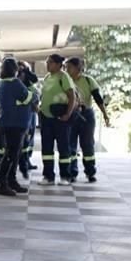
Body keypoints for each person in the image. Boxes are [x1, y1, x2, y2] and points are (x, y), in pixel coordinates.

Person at [66, 57, 110, 183]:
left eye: (69, 67)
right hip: (71, 114)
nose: (67, 69)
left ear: (77, 68)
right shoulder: (64, 81)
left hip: (86, 115)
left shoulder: (88, 80)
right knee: (70, 145)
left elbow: (98, 98)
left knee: (87, 145)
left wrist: (105, 114)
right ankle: (72, 172)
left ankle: (90, 172)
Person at [0, 58, 34, 196]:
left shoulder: (0, 83)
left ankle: (11, 180)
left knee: (14, 153)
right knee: (11, 154)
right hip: (15, 123)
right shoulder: (15, 83)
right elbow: (29, 98)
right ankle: (2, 183)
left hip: (6, 122)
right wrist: (33, 92)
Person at [37, 53, 78, 186]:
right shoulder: (48, 77)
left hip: (60, 118)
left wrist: (68, 114)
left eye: (50, 62)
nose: (47, 65)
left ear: (59, 64)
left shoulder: (63, 77)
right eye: (47, 62)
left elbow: (72, 97)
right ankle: (48, 176)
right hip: (46, 118)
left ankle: (65, 176)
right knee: (47, 148)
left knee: (63, 147)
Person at [17, 61, 40, 180]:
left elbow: (34, 79)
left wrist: (26, 71)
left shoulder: (28, 77)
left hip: (31, 110)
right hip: (20, 111)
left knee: (30, 135)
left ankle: (27, 160)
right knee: (21, 137)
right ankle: (20, 161)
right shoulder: (14, 79)